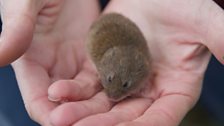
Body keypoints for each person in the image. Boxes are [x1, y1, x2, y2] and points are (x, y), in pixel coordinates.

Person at [0, 0, 223, 126]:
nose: (113, 93)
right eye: (108, 80)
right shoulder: (105, 57)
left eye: (125, 86)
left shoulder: (141, 66)